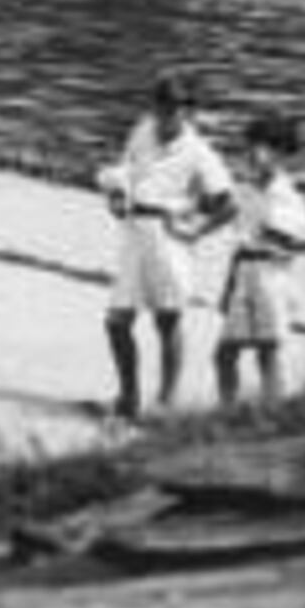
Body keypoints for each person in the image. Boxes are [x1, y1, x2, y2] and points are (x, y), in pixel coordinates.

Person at [97, 72, 236, 419]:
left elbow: (228, 204)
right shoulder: (142, 130)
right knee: (116, 321)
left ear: (189, 111)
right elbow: (125, 170)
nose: (166, 114)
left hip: (168, 237)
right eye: (161, 105)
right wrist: (116, 196)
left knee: (167, 321)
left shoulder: (199, 152)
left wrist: (195, 230)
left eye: (175, 108)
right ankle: (128, 398)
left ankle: (166, 402)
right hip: (133, 231)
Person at [212, 112, 305, 407]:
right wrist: (228, 287)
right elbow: (239, 245)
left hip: (272, 276)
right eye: (249, 146)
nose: (252, 153)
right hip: (245, 273)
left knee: (267, 351)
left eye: (260, 148)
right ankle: (227, 414)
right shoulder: (245, 190)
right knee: (225, 353)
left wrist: (278, 239)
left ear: (280, 154)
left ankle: (271, 411)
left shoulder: (287, 196)